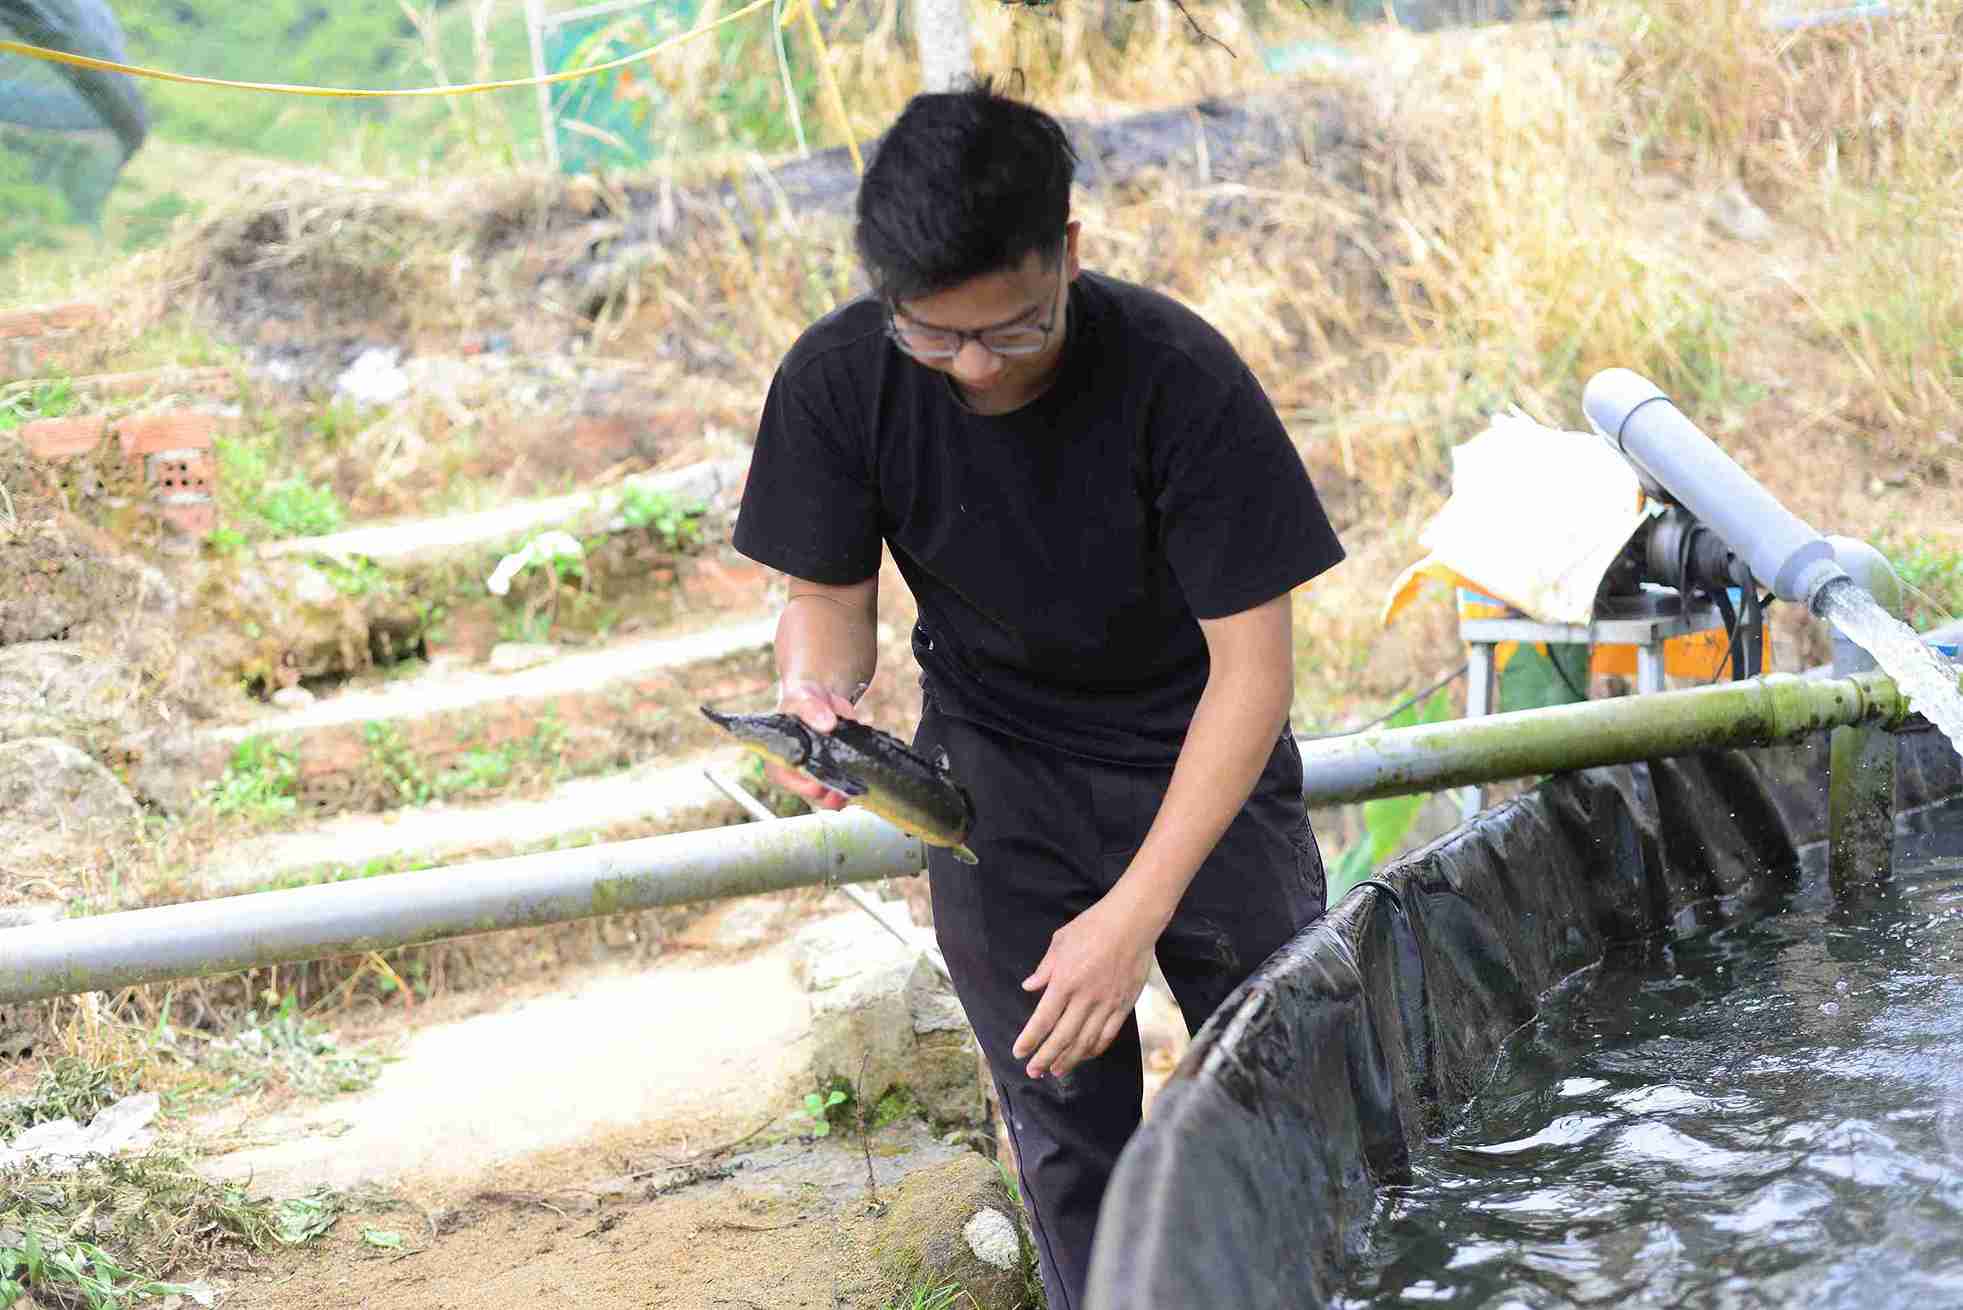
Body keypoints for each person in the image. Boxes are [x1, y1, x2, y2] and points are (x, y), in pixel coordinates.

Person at [730, 79, 1345, 1310]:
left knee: (1284, 1096)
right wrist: (816, 695)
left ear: (1067, 251)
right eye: (932, 333)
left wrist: (1130, 916)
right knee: (1065, 1132)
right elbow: (830, 602)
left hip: (1197, 757)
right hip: (995, 771)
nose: (971, 367)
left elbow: (1254, 675)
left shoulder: (1179, 376)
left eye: (1010, 331)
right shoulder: (840, 378)